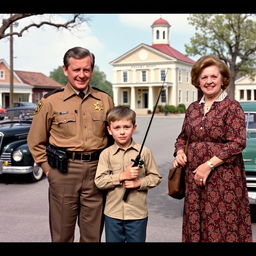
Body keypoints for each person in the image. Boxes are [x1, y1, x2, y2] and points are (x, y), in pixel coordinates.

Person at [27, 46, 114, 242]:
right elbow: (35, 140)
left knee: (92, 235)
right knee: (62, 235)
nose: (82, 75)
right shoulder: (50, 102)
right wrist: (49, 170)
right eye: (76, 69)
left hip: (96, 171)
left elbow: (114, 138)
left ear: (92, 70)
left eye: (86, 69)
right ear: (65, 70)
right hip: (63, 172)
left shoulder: (105, 100)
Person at [173, 55, 252, 242]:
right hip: (194, 180)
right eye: (204, 77)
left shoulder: (232, 107)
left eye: (213, 77)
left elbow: (237, 142)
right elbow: (182, 137)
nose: (209, 81)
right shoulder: (192, 108)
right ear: (198, 81)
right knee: (195, 225)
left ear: (222, 79)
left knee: (221, 227)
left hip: (223, 181)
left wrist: (208, 165)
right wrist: (180, 151)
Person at [94, 106, 162, 242]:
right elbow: (99, 181)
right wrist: (122, 176)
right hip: (113, 214)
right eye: (117, 128)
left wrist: (139, 183)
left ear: (134, 127)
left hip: (137, 215)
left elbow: (156, 177)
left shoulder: (144, 152)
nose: (122, 132)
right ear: (109, 130)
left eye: (126, 127)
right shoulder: (106, 154)